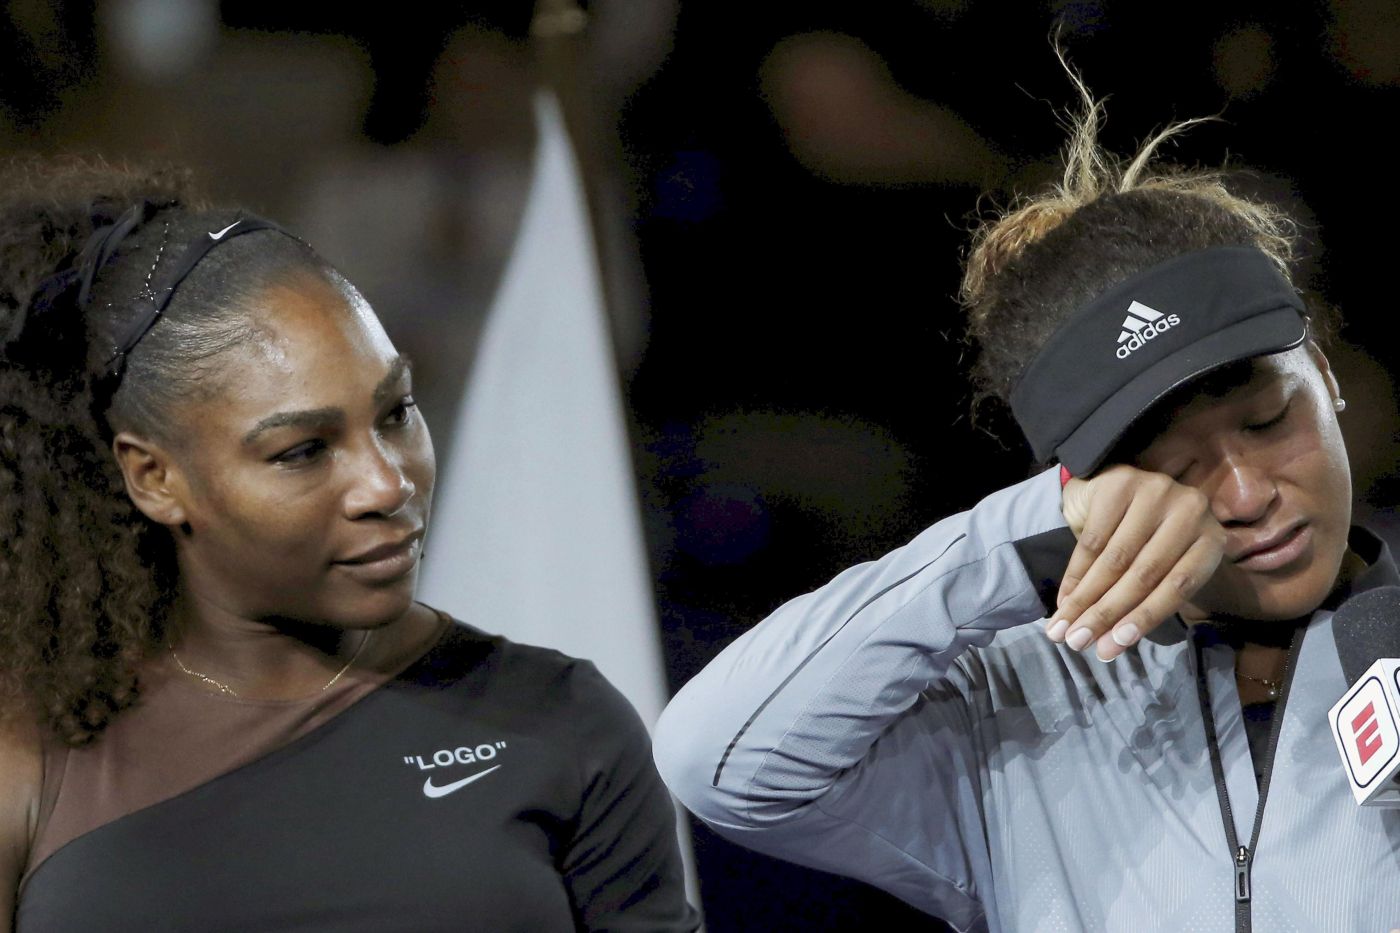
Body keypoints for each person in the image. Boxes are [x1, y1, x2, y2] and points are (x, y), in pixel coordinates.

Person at [652, 81, 1400, 932]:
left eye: (1268, 421)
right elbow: (719, 758)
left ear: (1326, 376)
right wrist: (1023, 539)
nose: (1246, 493)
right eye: (1175, 468)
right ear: (1088, 485)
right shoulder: (1008, 709)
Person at [0, 157, 698, 932]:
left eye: (396, 412)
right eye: (303, 450)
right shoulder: (27, 760)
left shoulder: (566, 721)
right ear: (154, 477)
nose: (386, 484)